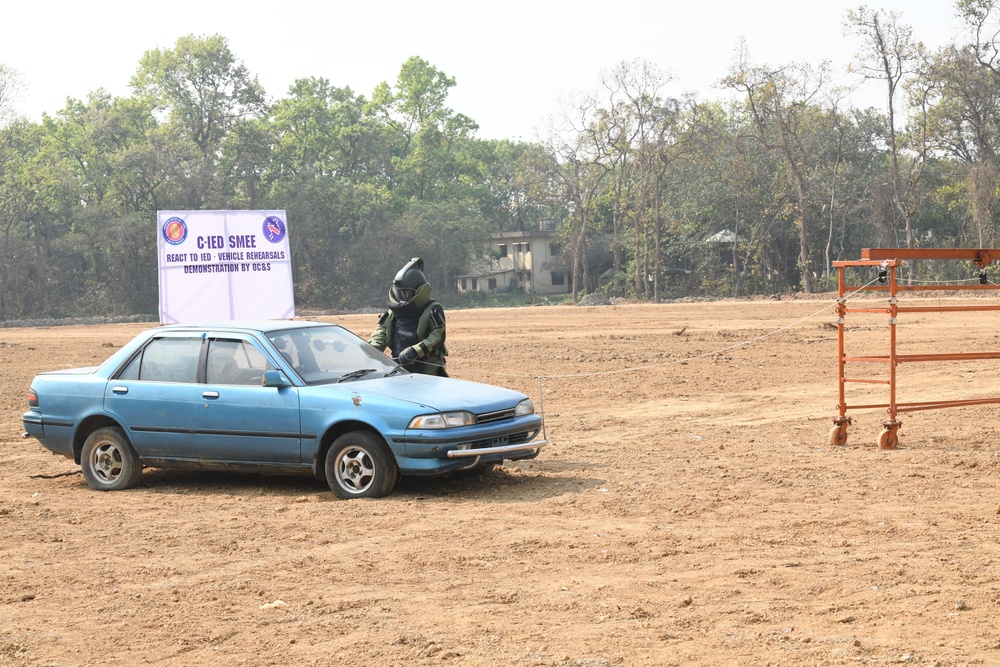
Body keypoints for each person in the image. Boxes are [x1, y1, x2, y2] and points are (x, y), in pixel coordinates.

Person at [369, 258, 448, 376]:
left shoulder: (432, 309)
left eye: (407, 292)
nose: (403, 295)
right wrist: (373, 347)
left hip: (427, 367)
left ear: (419, 291)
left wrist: (415, 351)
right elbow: (381, 332)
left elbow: (437, 336)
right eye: (400, 292)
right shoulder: (393, 313)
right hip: (400, 365)